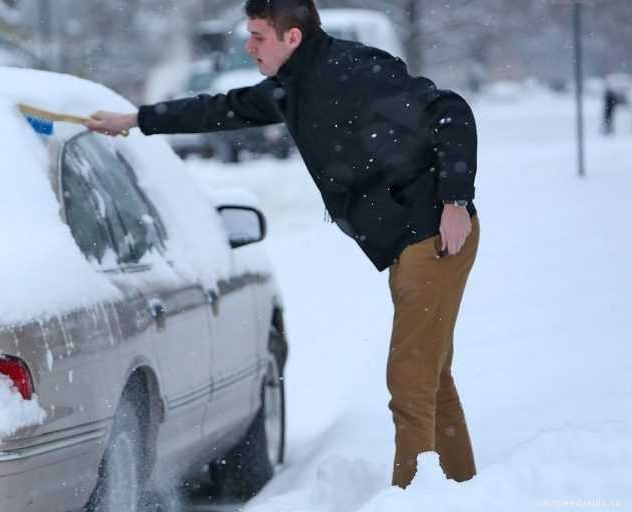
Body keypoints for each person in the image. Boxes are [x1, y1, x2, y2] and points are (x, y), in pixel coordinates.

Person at [88, 0, 480, 489]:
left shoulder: (355, 68)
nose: (249, 46)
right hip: (407, 240)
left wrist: (456, 201)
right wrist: (138, 119)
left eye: (257, 37)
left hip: (435, 233)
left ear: (291, 38)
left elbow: (449, 110)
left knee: (409, 380)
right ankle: (462, 487)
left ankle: (411, 498)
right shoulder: (292, 87)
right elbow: (221, 109)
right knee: (429, 377)